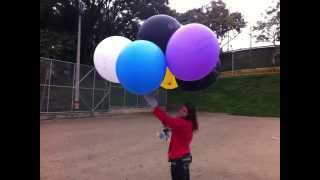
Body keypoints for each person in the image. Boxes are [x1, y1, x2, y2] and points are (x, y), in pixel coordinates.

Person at [144, 94, 198, 180]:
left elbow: (167, 119)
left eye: (184, 111)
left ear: (189, 115)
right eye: (181, 109)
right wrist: (168, 129)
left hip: (179, 159)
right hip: (184, 157)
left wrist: (155, 106)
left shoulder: (182, 123)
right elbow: (172, 125)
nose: (180, 111)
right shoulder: (189, 123)